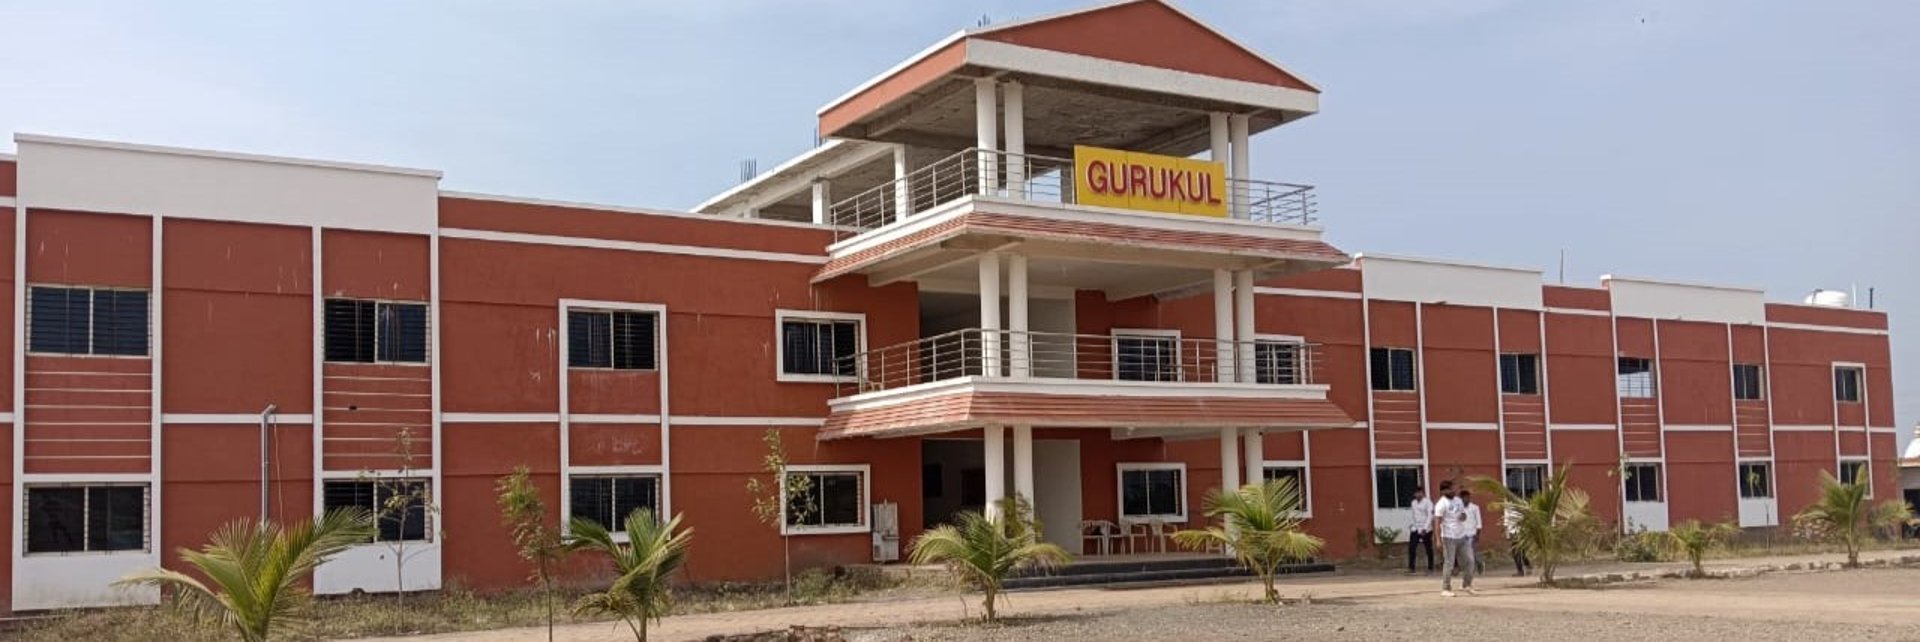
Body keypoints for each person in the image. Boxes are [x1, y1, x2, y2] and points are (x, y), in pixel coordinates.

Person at [1434, 481, 1475, 596]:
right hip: (1448, 537)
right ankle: (1446, 588)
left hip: (1462, 535)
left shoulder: (1458, 501)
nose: (1453, 491)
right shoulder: (1441, 504)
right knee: (1449, 563)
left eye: (1453, 488)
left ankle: (1466, 585)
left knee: (1470, 560)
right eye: (1450, 489)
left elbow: (1463, 515)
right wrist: (1438, 540)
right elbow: (1437, 523)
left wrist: (1463, 517)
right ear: (1443, 491)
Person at [1407, 485, 1435, 574]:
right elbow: (1414, 515)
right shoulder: (1413, 503)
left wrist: (1425, 528)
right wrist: (1412, 526)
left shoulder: (1428, 502)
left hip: (1426, 529)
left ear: (1423, 493)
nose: (1418, 494)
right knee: (1412, 547)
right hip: (1416, 528)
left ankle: (1430, 567)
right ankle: (1411, 568)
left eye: (1420, 493)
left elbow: (1430, 516)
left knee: (1428, 548)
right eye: (1416, 493)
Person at [1460, 489, 1485, 575]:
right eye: (1463, 498)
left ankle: (1477, 564)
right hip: (1462, 534)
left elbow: (1478, 521)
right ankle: (1473, 566)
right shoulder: (1459, 509)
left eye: (1467, 498)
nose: (1465, 500)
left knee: (1471, 552)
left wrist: (1477, 534)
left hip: (1472, 533)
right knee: (1465, 553)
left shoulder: (1474, 508)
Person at [1504, 500, 1532, 576]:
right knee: (1516, 553)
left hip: (1521, 532)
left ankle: (1524, 568)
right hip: (1513, 532)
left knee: (1521, 552)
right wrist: (1508, 533)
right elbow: (1507, 521)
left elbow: (1527, 519)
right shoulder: (1509, 507)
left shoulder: (1523, 505)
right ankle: (1523, 568)